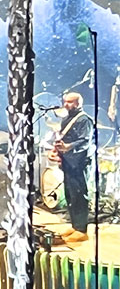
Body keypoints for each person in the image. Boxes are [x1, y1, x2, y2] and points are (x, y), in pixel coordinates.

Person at [53, 91, 95, 243]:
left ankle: (82, 230)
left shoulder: (84, 120)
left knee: (79, 195)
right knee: (70, 194)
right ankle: (75, 225)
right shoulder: (66, 119)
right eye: (65, 101)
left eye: (70, 102)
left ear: (78, 103)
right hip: (69, 162)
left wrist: (68, 147)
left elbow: (85, 141)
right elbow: (63, 137)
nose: (66, 104)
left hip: (80, 163)